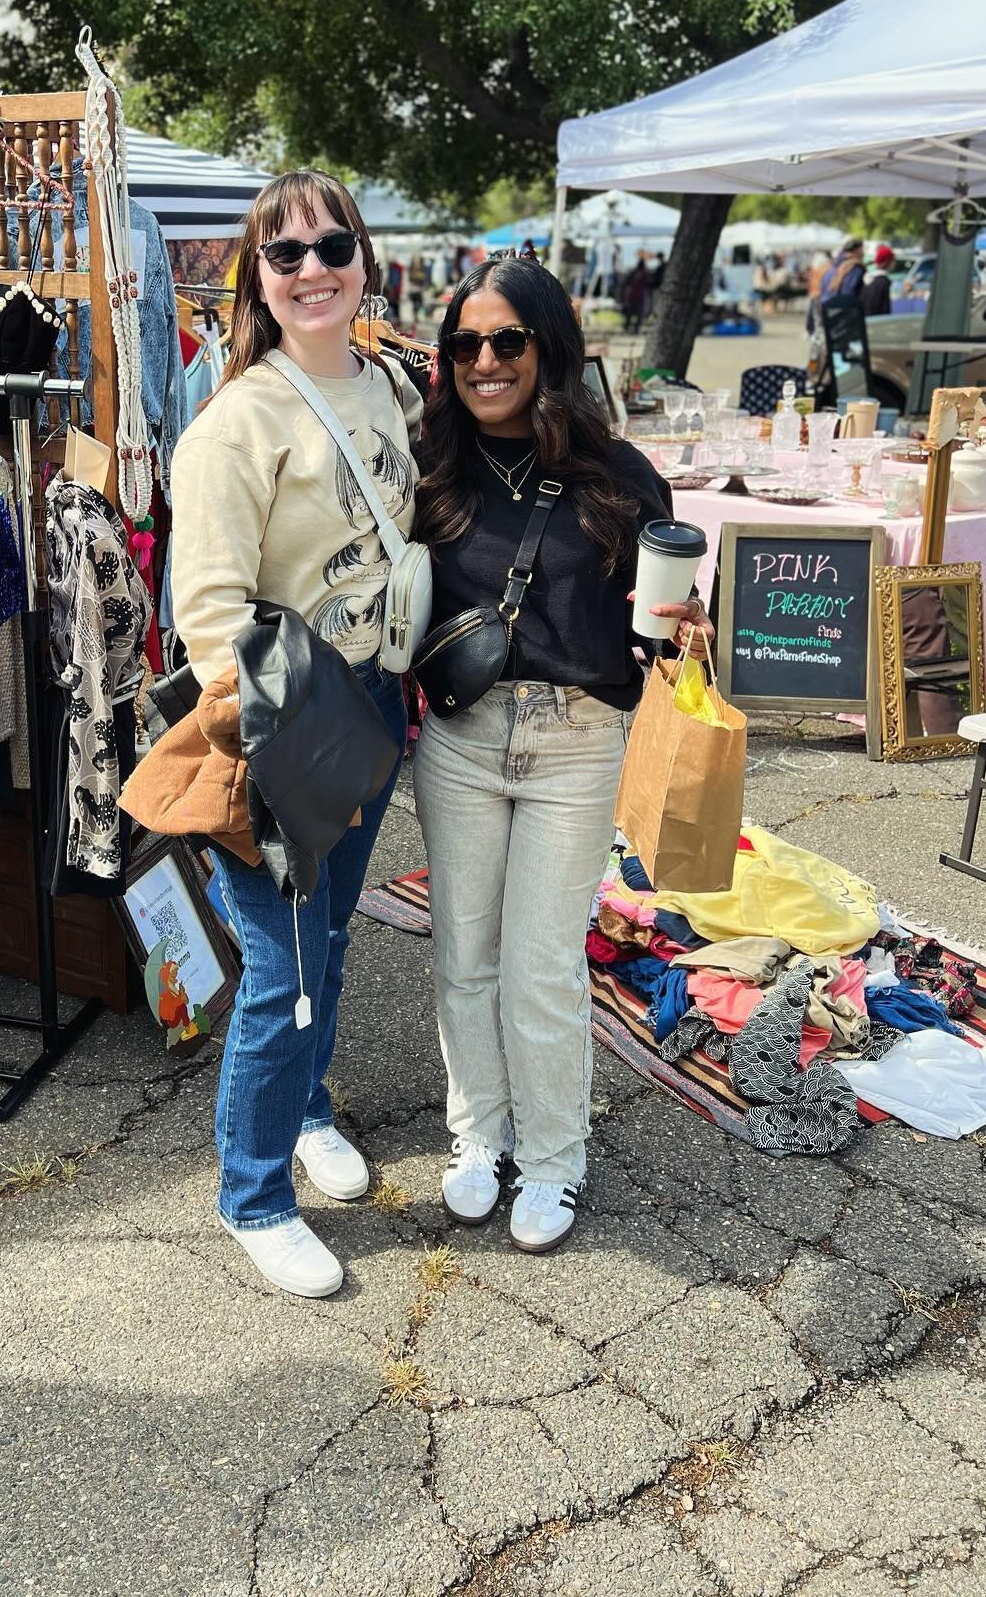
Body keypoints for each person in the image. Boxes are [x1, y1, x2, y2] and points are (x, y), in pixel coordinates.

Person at [411, 254, 711, 1252]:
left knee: (540, 965)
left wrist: (686, 627)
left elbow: (664, 618)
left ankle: (552, 1161)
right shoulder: (427, 463)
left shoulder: (616, 473)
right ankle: (476, 1141)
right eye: (465, 344)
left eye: (507, 341)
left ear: (548, 347)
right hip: (461, 737)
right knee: (465, 958)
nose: (485, 361)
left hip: (578, 739)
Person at [165, 169, 424, 1299]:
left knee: (329, 945)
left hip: (376, 703)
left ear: (363, 260)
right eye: (286, 254)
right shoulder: (238, 423)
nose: (312, 268)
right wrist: (272, 746)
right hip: (283, 723)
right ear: (257, 281)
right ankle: (254, 1191)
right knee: (277, 967)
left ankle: (308, 1106)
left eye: (332, 246)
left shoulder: (391, 388)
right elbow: (208, 614)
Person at [806, 236, 865, 334]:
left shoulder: (830, 268)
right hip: (843, 318)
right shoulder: (854, 269)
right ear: (857, 250)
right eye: (862, 250)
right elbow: (849, 294)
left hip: (827, 315)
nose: (863, 253)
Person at [862, 243, 896, 318]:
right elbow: (884, 309)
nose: (894, 263)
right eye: (893, 260)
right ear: (887, 262)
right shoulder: (882, 282)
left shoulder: (870, 279)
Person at [620, 255, 652, 332]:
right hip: (639, 297)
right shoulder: (645, 275)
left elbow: (625, 284)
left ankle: (627, 327)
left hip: (632, 296)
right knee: (638, 314)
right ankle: (636, 329)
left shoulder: (633, 273)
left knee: (629, 313)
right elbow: (649, 286)